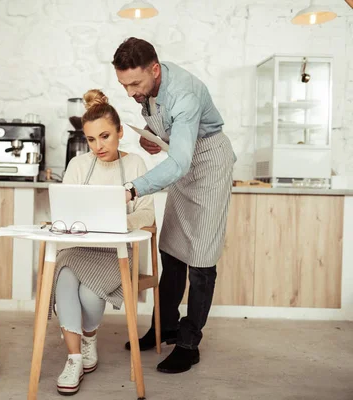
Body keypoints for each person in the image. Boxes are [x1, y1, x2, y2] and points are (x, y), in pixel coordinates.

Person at [113, 37, 236, 374]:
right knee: (171, 250)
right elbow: (171, 137)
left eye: (135, 83)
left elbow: (181, 160)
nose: (130, 92)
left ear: (155, 69)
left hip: (209, 162)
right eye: (124, 85)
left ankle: (188, 343)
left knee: (201, 259)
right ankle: (164, 327)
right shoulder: (149, 88)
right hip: (183, 162)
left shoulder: (185, 94)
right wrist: (151, 137)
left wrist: (132, 189)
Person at [51, 89, 155, 395]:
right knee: (65, 279)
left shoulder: (135, 164)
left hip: (116, 252)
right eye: (92, 139)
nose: (98, 146)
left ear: (121, 132)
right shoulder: (78, 166)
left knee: (90, 294)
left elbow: (147, 214)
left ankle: (89, 338)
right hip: (78, 248)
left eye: (106, 136)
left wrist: (121, 221)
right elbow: (65, 208)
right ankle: (73, 359)